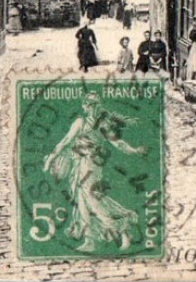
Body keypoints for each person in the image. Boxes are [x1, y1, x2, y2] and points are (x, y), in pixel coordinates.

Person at [43, 91, 146, 252]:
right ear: (85, 106)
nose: (93, 108)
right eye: (90, 105)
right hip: (78, 165)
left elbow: (117, 143)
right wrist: (50, 159)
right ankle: (90, 240)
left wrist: (134, 151)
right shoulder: (80, 122)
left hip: (92, 165)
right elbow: (65, 141)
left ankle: (122, 230)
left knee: (94, 201)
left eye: (96, 105)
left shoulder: (103, 124)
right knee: (82, 203)